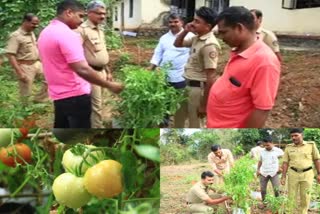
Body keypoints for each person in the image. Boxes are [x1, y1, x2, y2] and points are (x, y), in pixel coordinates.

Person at [38, 0, 123, 128]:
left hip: (60, 93)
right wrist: (110, 85)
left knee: (64, 130)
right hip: (75, 93)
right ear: (69, 13)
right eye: (80, 16)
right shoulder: (69, 34)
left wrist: (107, 72)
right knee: (80, 134)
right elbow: (82, 69)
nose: (80, 21)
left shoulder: (47, 32)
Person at [206, 6, 281, 128]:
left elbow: (262, 110)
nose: (221, 38)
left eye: (224, 32)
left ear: (239, 28)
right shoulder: (239, 50)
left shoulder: (265, 62)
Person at [174, 7, 220, 128]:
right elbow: (177, 44)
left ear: (208, 26)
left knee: (195, 123)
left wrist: (204, 105)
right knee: (178, 118)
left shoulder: (209, 45)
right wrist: (185, 30)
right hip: (186, 85)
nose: (193, 24)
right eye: (193, 20)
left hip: (198, 90)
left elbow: (211, 77)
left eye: (197, 21)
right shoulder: (197, 38)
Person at [149, 13, 194, 127]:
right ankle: (164, 124)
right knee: (164, 102)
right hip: (165, 76)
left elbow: (194, 56)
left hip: (181, 76)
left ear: (182, 23)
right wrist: (150, 68)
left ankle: (179, 125)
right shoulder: (164, 38)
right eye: (170, 22)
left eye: (175, 21)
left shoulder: (190, 37)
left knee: (180, 103)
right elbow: (157, 54)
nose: (172, 24)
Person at [76, 1, 112, 128]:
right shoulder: (82, 30)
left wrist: (108, 71)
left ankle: (95, 124)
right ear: (89, 13)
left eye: (104, 14)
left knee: (100, 102)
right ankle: (97, 129)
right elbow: (76, 54)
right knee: (96, 104)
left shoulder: (99, 30)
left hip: (102, 71)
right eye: (99, 13)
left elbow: (102, 52)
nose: (102, 16)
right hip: (91, 73)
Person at [5, 13, 47, 104]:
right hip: (25, 66)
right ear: (25, 22)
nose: (36, 26)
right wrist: (19, 72)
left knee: (50, 78)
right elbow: (10, 55)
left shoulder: (31, 33)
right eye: (33, 23)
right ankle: (25, 111)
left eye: (37, 24)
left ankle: (39, 99)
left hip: (37, 63)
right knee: (26, 91)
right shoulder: (15, 36)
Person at [281, 128, 320, 214]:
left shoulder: (311, 145)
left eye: (296, 135)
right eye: (292, 136)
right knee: (291, 195)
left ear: (302, 135)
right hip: (293, 173)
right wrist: (283, 176)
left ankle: (303, 212)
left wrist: (319, 174)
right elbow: (285, 163)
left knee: (305, 196)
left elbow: (317, 160)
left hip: (307, 174)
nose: (293, 138)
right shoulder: (288, 147)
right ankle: (289, 212)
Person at [256, 136, 284, 205]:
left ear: (272, 143)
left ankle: (277, 203)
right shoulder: (262, 151)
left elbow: (284, 160)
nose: (266, 147)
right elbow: (260, 161)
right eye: (264, 145)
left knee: (276, 190)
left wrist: (281, 167)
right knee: (263, 190)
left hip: (274, 173)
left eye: (268, 145)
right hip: (263, 173)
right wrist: (258, 170)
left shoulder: (278, 151)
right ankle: (264, 203)